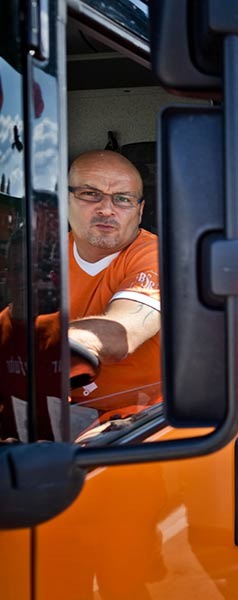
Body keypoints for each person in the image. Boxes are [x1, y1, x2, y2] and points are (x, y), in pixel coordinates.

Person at [67, 150, 161, 420]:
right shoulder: (47, 254)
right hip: (56, 405)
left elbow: (121, 332)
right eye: (89, 193)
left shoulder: (157, 256)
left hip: (138, 418)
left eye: (123, 199)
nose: (107, 209)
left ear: (140, 211)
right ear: (66, 199)